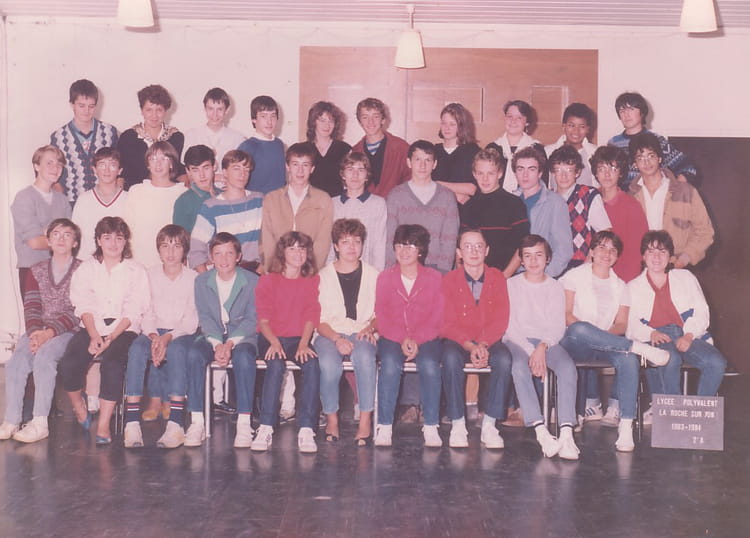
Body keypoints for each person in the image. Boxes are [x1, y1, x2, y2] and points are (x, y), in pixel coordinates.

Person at [559, 231, 670, 452]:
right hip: (575, 341)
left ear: (617, 257)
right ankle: (638, 347)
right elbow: (567, 315)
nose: (606, 253)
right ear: (591, 251)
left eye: (612, 250)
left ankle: (626, 426)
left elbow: (621, 324)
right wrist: (593, 334)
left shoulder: (621, 286)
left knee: (628, 360)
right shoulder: (573, 277)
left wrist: (602, 338)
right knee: (580, 328)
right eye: (601, 247)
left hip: (607, 342)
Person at [58, 217, 149, 445]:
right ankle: (79, 406)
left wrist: (111, 337)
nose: (113, 244)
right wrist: (94, 335)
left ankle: (104, 424)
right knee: (69, 363)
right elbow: (83, 304)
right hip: (92, 327)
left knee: (113, 364)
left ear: (125, 241)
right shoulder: (86, 269)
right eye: (107, 238)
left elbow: (134, 309)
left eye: (119, 238)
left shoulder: (136, 270)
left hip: (123, 330)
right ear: (98, 240)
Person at [0, 219, 82, 443]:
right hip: (39, 329)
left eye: (67, 235)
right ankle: (11, 420)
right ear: (48, 241)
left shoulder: (83, 270)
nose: (61, 239)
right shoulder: (36, 270)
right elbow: (32, 305)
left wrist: (49, 334)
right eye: (56, 234)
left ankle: (39, 422)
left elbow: (79, 310)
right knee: (17, 360)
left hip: (69, 331)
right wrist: (36, 333)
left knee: (44, 358)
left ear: (75, 242)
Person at [504, 235, 579, 460]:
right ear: (521, 260)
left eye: (538, 255)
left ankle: (566, 433)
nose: (533, 261)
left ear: (547, 259)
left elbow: (557, 325)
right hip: (518, 341)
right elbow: (510, 326)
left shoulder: (555, 286)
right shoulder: (511, 285)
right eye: (527, 256)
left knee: (567, 367)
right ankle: (541, 432)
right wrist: (531, 352)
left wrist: (542, 347)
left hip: (547, 341)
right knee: (519, 367)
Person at [627, 230, 727, 400]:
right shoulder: (633, 287)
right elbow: (630, 325)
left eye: (662, 251)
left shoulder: (686, 278)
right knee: (670, 359)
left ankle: (699, 410)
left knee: (716, 363)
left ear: (670, 256)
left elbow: (702, 310)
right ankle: (670, 409)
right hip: (655, 339)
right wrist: (651, 333)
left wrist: (688, 336)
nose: (656, 257)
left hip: (686, 334)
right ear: (643, 256)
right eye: (651, 251)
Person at [123, 225, 198, 449]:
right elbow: (145, 311)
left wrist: (167, 338)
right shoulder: (149, 275)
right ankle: (131, 423)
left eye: (177, 246)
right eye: (165, 246)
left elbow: (191, 319)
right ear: (158, 250)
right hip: (153, 331)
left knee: (176, 350)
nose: (171, 252)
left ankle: (176, 423)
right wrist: (154, 336)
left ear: (185, 249)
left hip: (181, 333)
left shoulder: (194, 278)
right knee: (137, 349)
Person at [184, 232, 259, 448]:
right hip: (212, 335)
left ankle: (244, 422)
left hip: (242, 336)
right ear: (210, 257)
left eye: (229, 253)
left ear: (238, 256)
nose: (223, 259)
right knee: (195, 354)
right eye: (218, 254)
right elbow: (205, 316)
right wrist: (218, 344)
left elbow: (252, 318)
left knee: (244, 357)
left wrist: (229, 344)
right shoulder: (201, 281)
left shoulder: (252, 281)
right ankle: (197, 421)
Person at [374, 224, 444, 448]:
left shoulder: (434, 278)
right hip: (393, 337)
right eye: (400, 245)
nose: (404, 251)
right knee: (390, 364)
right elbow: (382, 315)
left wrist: (417, 339)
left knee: (430, 365)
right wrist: (403, 338)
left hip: (426, 337)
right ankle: (384, 425)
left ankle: (431, 425)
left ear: (421, 250)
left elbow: (438, 316)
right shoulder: (385, 277)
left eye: (411, 246)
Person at [441, 229, 512, 449]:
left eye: (479, 246)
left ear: (487, 250)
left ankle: (490, 424)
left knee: (504, 359)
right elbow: (446, 322)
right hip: (459, 341)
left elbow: (501, 318)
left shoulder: (497, 277)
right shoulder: (449, 280)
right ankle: (457, 423)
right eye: (468, 246)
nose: (474, 251)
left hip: (487, 340)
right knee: (450, 358)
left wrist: (482, 344)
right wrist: (470, 346)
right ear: (459, 252)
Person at [251, 232, 321, 453]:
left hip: (297, 339)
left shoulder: (312, 280)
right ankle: (266, 426)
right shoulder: (268, 280)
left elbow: (311, 315)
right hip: (270, 336)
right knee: (275, 363)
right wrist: (274, 342)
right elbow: (263, 320)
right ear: (283, 253)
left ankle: (306, 428)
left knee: (312, 363)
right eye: (292, 249)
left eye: (302, 249)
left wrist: (304, 343)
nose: (298, 253)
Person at [316, 219, 378, 445]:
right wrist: (337, 339)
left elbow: (381, 312)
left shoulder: (374, 275)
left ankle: (365, 420)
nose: (351, 247)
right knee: (328, 364)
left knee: (365, 357)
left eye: (356, 242)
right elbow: (318, 321)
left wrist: (371, 327)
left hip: (362, 330)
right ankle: (331, 418)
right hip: (329, 332)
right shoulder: (322, 276)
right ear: (336, 246)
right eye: (345, 242)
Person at [628, 132, 714, 268]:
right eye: (640, 158)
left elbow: (705, 232)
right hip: (642, 268)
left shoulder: (686, 191)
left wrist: (682, 260)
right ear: (634, 164)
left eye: (651, 156)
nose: (647, 162)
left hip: (678, 266)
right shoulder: (630, 197)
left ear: (660, 158)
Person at [385, 140, 459, 274]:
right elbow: (390, 237)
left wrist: (443, 272)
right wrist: (391, 270)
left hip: (436, 268)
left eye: (428, 160)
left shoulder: (447, 196)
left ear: (434, 164)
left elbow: (450, 239)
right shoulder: (395, 196)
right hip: (403, 267)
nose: (422, 165)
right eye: (417, 159)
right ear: (409, 162)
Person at [261, 142, 334, 272]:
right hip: (278, 271)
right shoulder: (271, 199)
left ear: (312, 168)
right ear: (287, 166)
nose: (300, 171)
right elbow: (267, 240)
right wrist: (272, 270)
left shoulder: (323, 200)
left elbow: (323, 242)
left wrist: (311, 272)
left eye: (305, 165)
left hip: (309, 271)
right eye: (295, 164)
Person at [11, 145, 72, 297]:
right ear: (36, 166)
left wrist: (47, 233)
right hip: (32, 270)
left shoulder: (63, 200)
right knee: (35, 313)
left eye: (59, 164)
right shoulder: (24, 197)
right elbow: (34, 243)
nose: (55, 168)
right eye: (49, 163)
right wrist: (60, 238)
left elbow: (71, 238)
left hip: (61, 270)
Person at [189, 150, 263, 272]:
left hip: (257, 271)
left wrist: (260, 273)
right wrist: (208, 280)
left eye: (246, 169)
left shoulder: (259, 200)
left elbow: (273, 241)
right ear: (225, 172)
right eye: (236, 168)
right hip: (225, 273)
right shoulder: (211, 206)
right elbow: (196, 252)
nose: (242, 174)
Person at [460, 148, 529, 278]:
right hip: (474, 277)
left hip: (505, 277)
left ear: (500, 173)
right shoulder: (469, 206)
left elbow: (522, 246)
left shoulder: (514, 204)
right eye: (480, 173)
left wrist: (503, 278)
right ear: (474, 174)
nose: (485, 179)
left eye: (490, 173)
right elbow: (461, 248)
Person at [608, 92, 698, 191]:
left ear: (642, 112)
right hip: (622, 196)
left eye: (631, 109)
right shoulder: (613, 143)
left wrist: (674, 188)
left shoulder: (657, 141)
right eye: (622, 111)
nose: (626, 114)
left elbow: (688, 168)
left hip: (651, 195)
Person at [50, 79, 119, 204]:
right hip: (72, 202)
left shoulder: (109, 132)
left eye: (91, 106)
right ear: (72, 104)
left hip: (105, 201)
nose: (86, 111)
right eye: (81, 106)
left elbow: (120, 167)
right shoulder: (58, 137)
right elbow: (53, 176)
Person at [123, 141, 187, 269]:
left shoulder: (182, 193)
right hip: (139, 261)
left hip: (171, 263)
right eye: (153, 159)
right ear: (148, 164)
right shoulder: (136, 191)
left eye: (164, 158)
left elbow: (185, 233)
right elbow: (127, 228)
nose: (158, 163)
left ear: (171, 164)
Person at [590, 145, 648, 282]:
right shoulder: (589, 199)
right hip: (591, 275)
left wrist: (625, 284)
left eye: (613, 169)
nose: (607, 174)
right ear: (596, 173)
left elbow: (636, 252)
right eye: (602, 169)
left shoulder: (631, 206)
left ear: (621, 173)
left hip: (620, 279)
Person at [512, 146, 572, 277]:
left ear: (540, 173)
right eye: (520, 169)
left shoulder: (555, 203)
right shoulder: (509, 201)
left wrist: (543, 276)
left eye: (531, 169)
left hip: (543, 275)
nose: (525, 175)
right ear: (515, 172)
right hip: (514, 276)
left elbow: (564, 250)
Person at [548, 145, 611, 270]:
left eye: (569, 170)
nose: (564, 176)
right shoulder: (547, 199)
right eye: (559, 170)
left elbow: (605, 233)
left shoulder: (588, 195)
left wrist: (588, 262)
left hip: (580, 264)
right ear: (553, 172)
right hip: (552, 265)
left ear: (577, 172)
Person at [117, 84, 184, 190]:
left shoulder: (176, 137)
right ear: (142, 110)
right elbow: (120, 174)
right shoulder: (128, 138)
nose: (154, 115)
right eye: (149, 110)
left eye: (159, 110)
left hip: (167, 193)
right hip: (135, 194)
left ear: (165, 111)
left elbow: (181, 172)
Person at [330, 151, 387, 270]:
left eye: (361, 170)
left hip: (367, 271)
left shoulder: (378, 204)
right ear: (343, 174)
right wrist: (328, 272)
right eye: (350, 169)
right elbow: (330, 244)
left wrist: (377, 274)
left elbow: (379, 244)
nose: (355, 175)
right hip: (338, 270)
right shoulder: (332, 204)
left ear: (367, 176)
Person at [72, 147, 128, 260]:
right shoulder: (84, 200)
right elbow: (76, 236)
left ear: (119, 170)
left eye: (112, 165)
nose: (107, 170)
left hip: (121, 262)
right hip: (89, 263)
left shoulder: (129, 198)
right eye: (102, 165)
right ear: (94, 169)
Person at [183, 87, 246, 188]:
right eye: (210, 109)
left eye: (220, 109)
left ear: (227, 110)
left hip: (227, 192)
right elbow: (187, 173)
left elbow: (241, 171)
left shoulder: (237, 138)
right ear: (205, 108)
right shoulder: (192, 135)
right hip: (199, 192)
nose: (215, 115)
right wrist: (216, 177)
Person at [351, 97, 410, 197]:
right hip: (365, 205)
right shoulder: (355, 151)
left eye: (376, 116)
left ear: (383, 120)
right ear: (360, 122)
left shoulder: (401, 148)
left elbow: (411, 179)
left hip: (394, 204)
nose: (370, 122)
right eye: (365, 117)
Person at [486, 100, 545, 193]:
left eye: (519, 117)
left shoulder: (536, 149)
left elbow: (543, 182)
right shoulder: (492, 148)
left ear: (527, 122)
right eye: (510, 116)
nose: (513, 121)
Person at [433, 103, 481, 204]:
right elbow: (426, 185)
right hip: (436, 207)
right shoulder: (433, 151)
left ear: (461, 126)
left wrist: (438, 184)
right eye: (444, 123)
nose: (447, 128)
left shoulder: (473, 151)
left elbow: (472, 188)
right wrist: (456, 194)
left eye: (452, 124)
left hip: (465, 209)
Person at [237, 95, 285, 194]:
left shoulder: (279, 144)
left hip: (279, 200)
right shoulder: (247, 147)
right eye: (263, 116)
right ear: (254, 119)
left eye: (273, 116)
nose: (269, 121)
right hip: (257, 201)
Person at [545, 103, 598, 189]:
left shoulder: (595, 153)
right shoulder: (548, 152)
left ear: (588, 129)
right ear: (564, 126)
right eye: (571, 125)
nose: (576, 131)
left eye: (582, 127)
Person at [306, 101, 352, 197]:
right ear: (313, 122)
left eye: (331, 121)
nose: (327, 125)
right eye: (322, 120)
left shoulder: (345, 149)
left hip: (336, 202)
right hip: (310, 202)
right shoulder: (303, 149)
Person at [172, 145, 217, 234]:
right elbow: (180, 239)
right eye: (195, 170)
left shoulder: (225, 195)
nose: (202, 175)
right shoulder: (183, 201)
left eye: (206, 168)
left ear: (214, 166)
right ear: (188, 171)